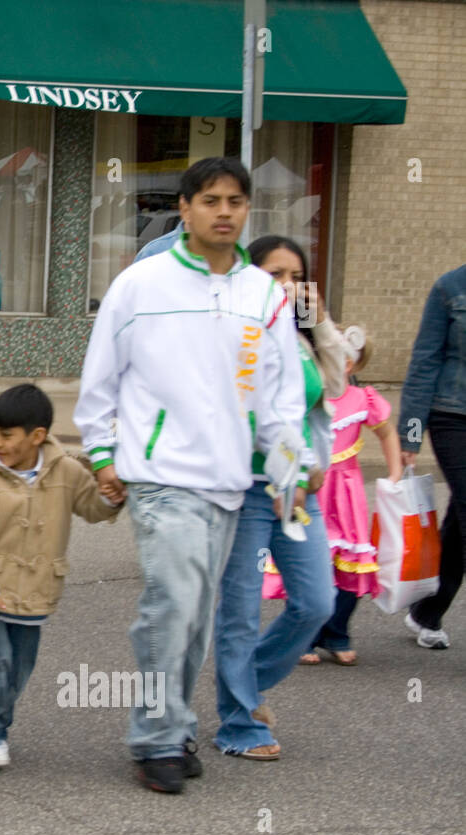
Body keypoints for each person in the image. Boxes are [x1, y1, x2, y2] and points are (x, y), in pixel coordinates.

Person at [74, 157, 306, 794]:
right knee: (171, 606)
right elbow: (101, 381)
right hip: (160, 475)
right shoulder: (141, 286)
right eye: (210, 200)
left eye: (235, 201)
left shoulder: (262, 295)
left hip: (230, 480)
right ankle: (155, 737)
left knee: (197, 615)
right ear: (184, 208)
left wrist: (292, 466)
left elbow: (280, 396)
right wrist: (102, 452)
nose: (224, 211)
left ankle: (173, 725)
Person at [210, 234, 348, 760]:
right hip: (246, 487)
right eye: (274, 275)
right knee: (240, 610)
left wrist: (319, 321)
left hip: (298, 492)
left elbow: (334, 388)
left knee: (316, 603)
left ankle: (243, 685)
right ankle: (240, 722)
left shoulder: (303, 337)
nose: (286, 286)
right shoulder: (239, 334)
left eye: (296, 276)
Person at [0, 384, 120, 768]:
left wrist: (111, 497)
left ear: (37, 436)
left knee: (20, 668)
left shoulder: (65, 472)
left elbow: (91, 507)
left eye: (6, 435)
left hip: (35, 593)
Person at [293, 326, 402, 664]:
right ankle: (306, 637)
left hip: (347, 493)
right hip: (314, 491)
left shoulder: (361, 398)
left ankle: (337, 632)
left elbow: (386, 433)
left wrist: (395, 472)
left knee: (350, 566)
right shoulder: (308, 396)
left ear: (350, 366)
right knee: (313, 565)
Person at [399, 262, 466, 650]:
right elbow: (425, 361)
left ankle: (428, 610)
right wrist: (410, 433)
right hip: (453, 416)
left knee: (461, 520)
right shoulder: (450, 288)